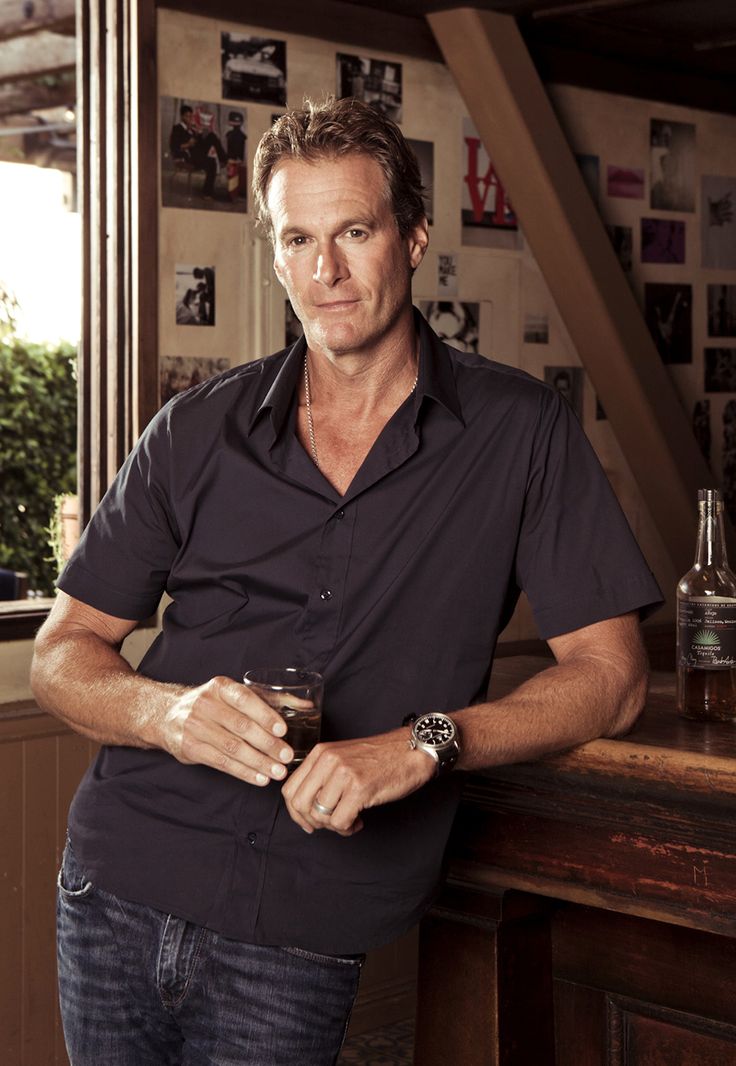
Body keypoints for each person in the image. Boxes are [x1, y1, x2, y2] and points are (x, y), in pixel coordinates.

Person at [32, 96, 662, 1065]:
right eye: (297, 239)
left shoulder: (520, 432)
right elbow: (60, 656)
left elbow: (612, 677)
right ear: (275, 254)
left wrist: (425, 741)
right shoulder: (196, 429)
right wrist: (163, 714)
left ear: (410, 239)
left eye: (353, 232)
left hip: (300, 919)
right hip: (118, 877)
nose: (324, 271)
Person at [169, 103, 227, 200]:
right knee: (211, 162)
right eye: (187, 116)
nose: (189, 118)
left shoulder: (191, 128)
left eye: (191, 116)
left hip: (197, 153)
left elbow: (197, 142)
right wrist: (188, 144)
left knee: (211, 136)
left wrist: (198, 133)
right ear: (182, 116)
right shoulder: (177, 128)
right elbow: (174, 147)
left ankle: (223, 160)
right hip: (187, 157)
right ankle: (207, 193)